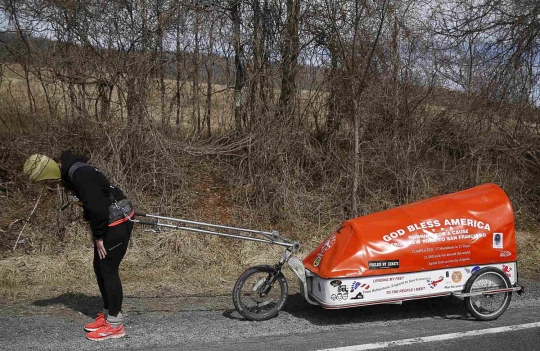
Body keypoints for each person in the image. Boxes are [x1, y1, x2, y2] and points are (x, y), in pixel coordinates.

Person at [23, 151, 134, 341]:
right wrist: (96, 232)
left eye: (45, 182)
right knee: (99, 268)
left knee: (108, 270)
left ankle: (115, 326)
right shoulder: (69, 174)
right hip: (108, 222)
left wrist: (98, 236)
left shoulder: (79, 174)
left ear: (49, 174)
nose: (47, 186)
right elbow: (91, 205)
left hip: (116, 223)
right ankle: (108, 316)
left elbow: (98, 208)